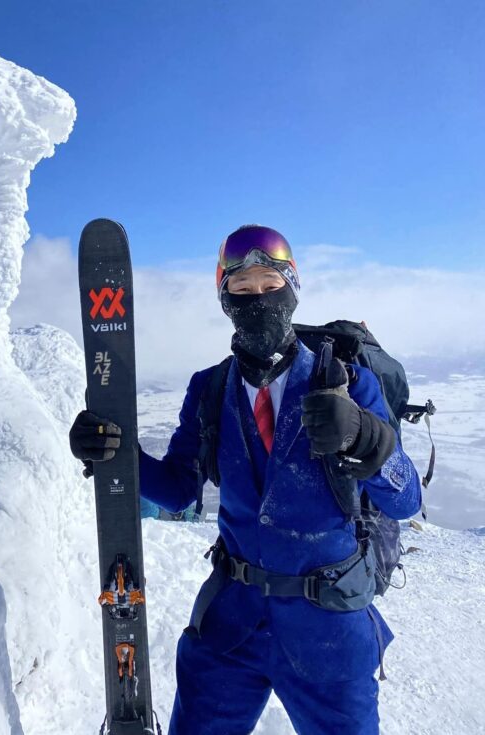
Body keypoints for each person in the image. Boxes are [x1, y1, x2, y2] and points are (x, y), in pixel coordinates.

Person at [69, 225, 421, 735]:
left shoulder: (346, 382)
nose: (258, 299)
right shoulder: (210, 388)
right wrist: (116, 455)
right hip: (230, 629)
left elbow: (405, 496)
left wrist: (368, 437)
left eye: (269, 285)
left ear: (293, 289)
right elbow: (178, 488)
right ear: (224, 298)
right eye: (243, 289)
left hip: (328, 631)